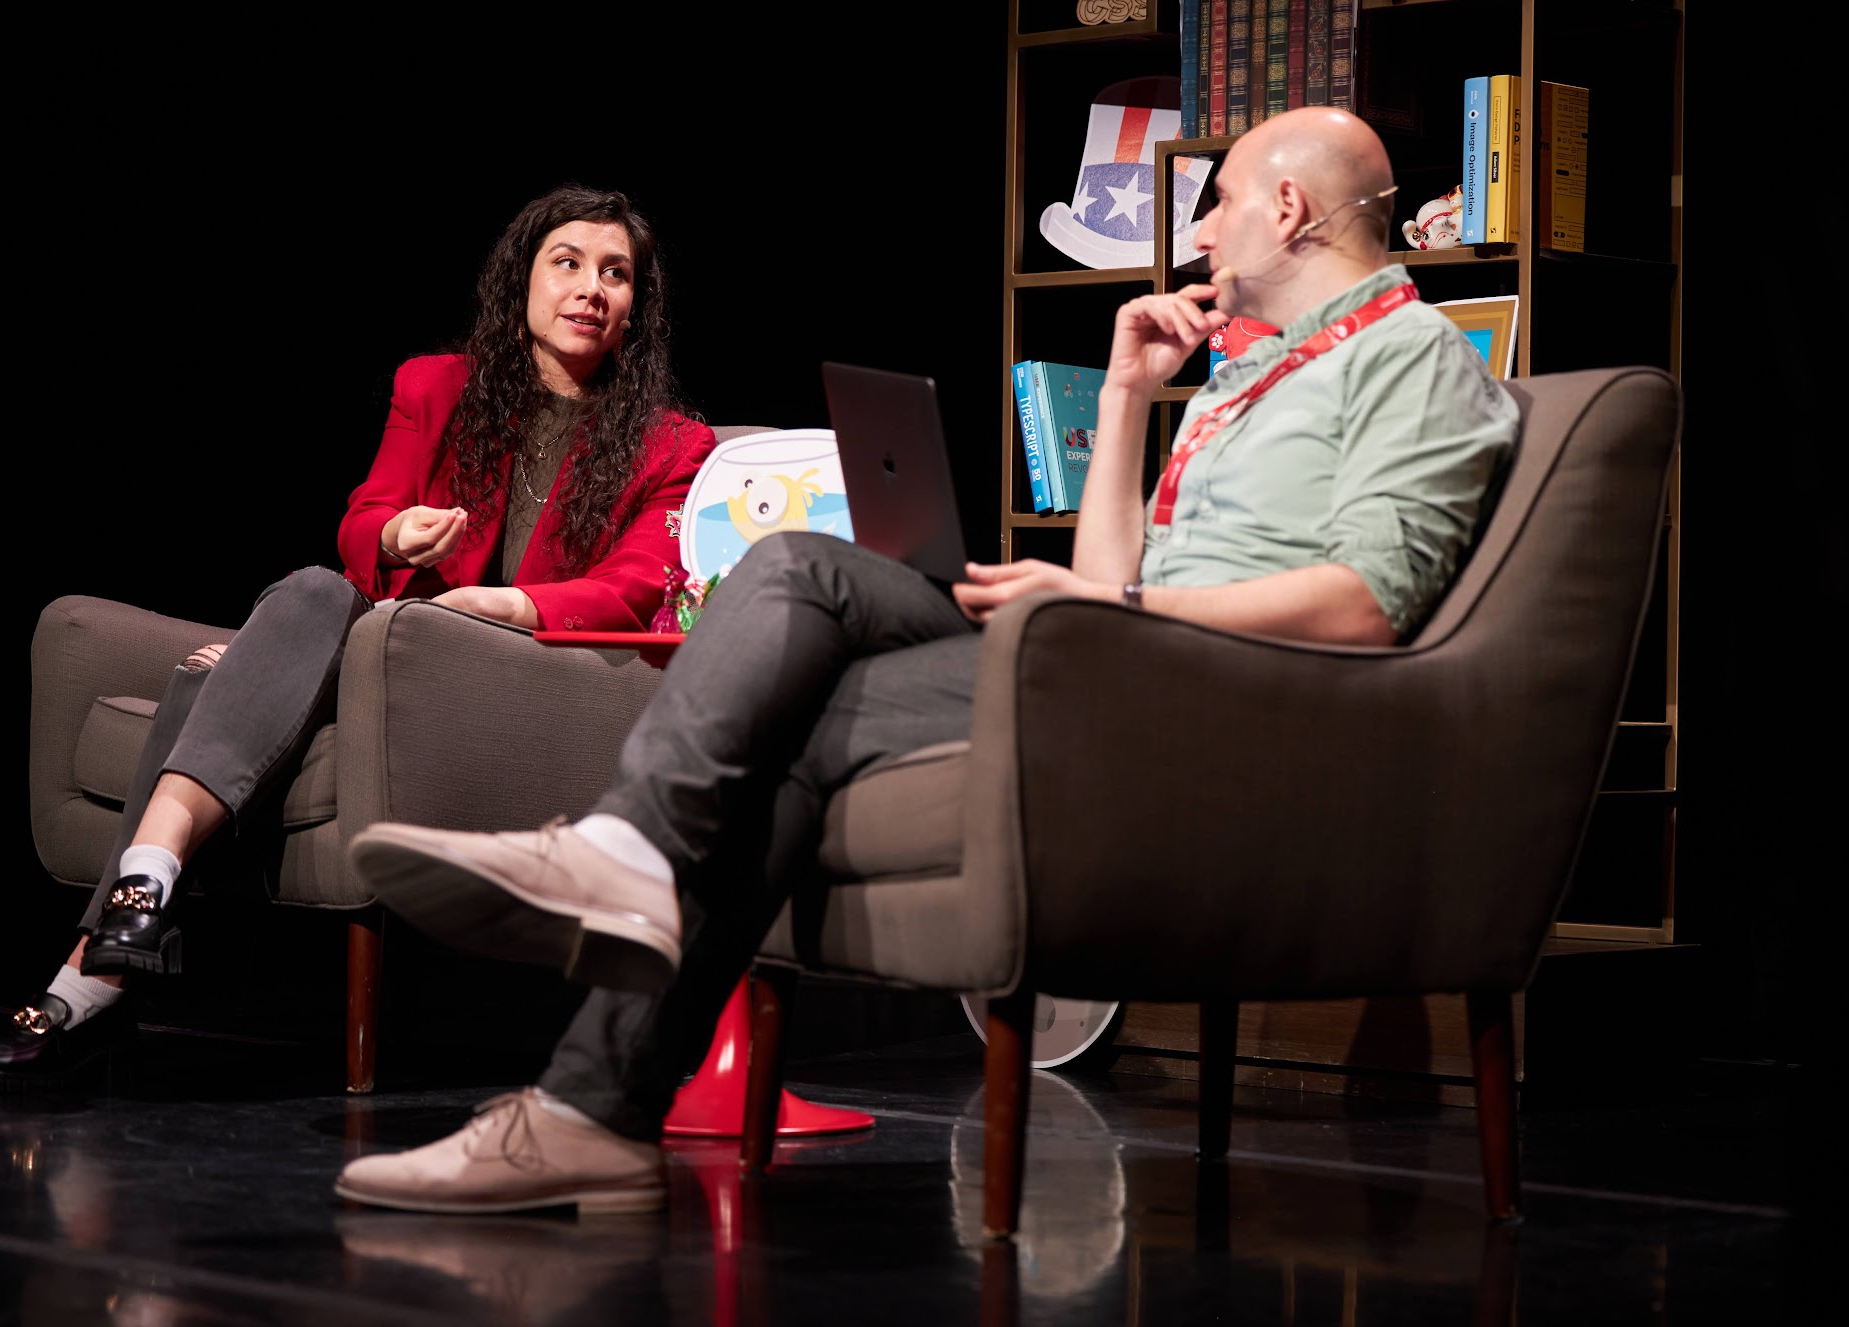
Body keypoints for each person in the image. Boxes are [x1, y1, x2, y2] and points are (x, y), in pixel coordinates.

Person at [329, 106, 1521, 1214]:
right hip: (1115, 659)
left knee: (797, 611)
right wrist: (1122, 401)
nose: (1200, 231)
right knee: (793, 597)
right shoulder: (1246, 374)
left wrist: (1112, 603)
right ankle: (592, 1102)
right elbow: (1114, 569)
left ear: (1289, 211)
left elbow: (1368, 604)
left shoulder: (1409, 354)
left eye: (1216, 204)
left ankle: (612, 919)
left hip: (1204, 697)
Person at [0, 184, 718, 1094]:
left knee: (227, 677)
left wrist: (501, 605)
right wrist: (395, 535)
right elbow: (364, 520)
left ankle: (90, 976)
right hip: (387, 647)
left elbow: (633, 587)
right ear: (522, 279)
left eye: (615, 274)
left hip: (505, 675)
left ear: (635, 309)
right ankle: (135, 904)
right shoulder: (434, 386)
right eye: (568, 263)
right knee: (316, 591)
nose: (590, 287)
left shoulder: (675, 445)